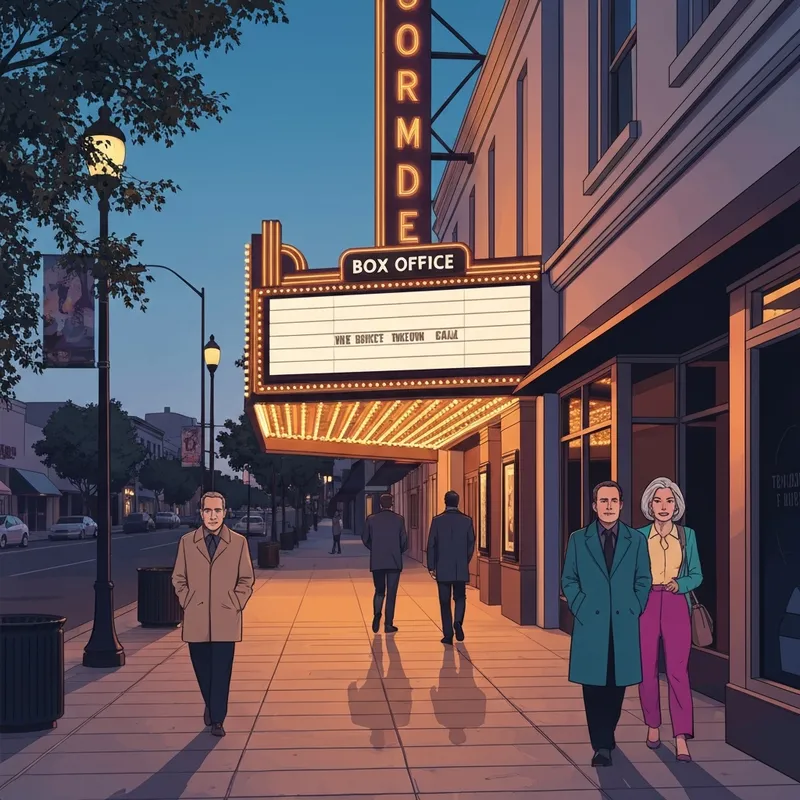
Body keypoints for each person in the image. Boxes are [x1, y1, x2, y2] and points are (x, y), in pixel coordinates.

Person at [561, 480, 651, 767]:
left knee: (616, 685)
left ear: (621, 505)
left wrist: (635, 607)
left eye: (614, 501)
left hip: (623, 623)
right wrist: (581, 608)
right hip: (591, 624)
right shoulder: (578, 539)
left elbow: (643, 579)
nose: (609, 506)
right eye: (603, 501)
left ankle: (607, 733)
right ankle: (601, 744)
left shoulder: (636, 540)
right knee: (592, 687)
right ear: (594, 505)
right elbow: (568, 580)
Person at [171, 490, 255, 737]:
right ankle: (210, 702)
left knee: (221, 670)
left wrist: (235, 602)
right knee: (202, 668)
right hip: (196, 616)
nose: (213, 516)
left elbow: (246, 578)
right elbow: (178, 577)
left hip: (225, 617)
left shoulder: (238, 542)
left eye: (217, 510)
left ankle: (217, 718)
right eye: (208, 510)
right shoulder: (187, 542)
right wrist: (187, 600)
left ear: (224, 513)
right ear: (201, 513)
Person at [638, 477, 703, 762]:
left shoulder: (687, 536)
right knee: (646, 669)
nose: (664, 506)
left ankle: (681, 736)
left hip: (677, 603)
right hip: (647, 604)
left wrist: (682, 584)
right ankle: (653, 724)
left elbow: (697, 574)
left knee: (678, 671)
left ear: (676, 505)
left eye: (669, 501)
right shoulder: (638, 536)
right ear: (649, 505)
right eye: (658, 501)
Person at [427, 490, 475, 645]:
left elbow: (431, 545)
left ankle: (448, 634)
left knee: (444, 601)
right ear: (458, 502)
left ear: (444, 501)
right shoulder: (467, 521)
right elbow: (470, 545)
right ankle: (458, 622)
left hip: (442, 567)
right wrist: (464, 561)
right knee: (460, 597)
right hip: (459, 566)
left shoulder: (437, 521)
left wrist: (431, 566)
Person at [362, 493, 408, 633]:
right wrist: (397, 550)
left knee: (379, 590)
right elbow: (404, 541)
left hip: (377, 560)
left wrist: (374, 548)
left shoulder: (371, 519)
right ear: (391, 503)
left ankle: (377, 614)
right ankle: (388, 624)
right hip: (394, 561)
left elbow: (365, 538)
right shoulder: (399, 519)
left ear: (380, 504)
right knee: (392, 593)